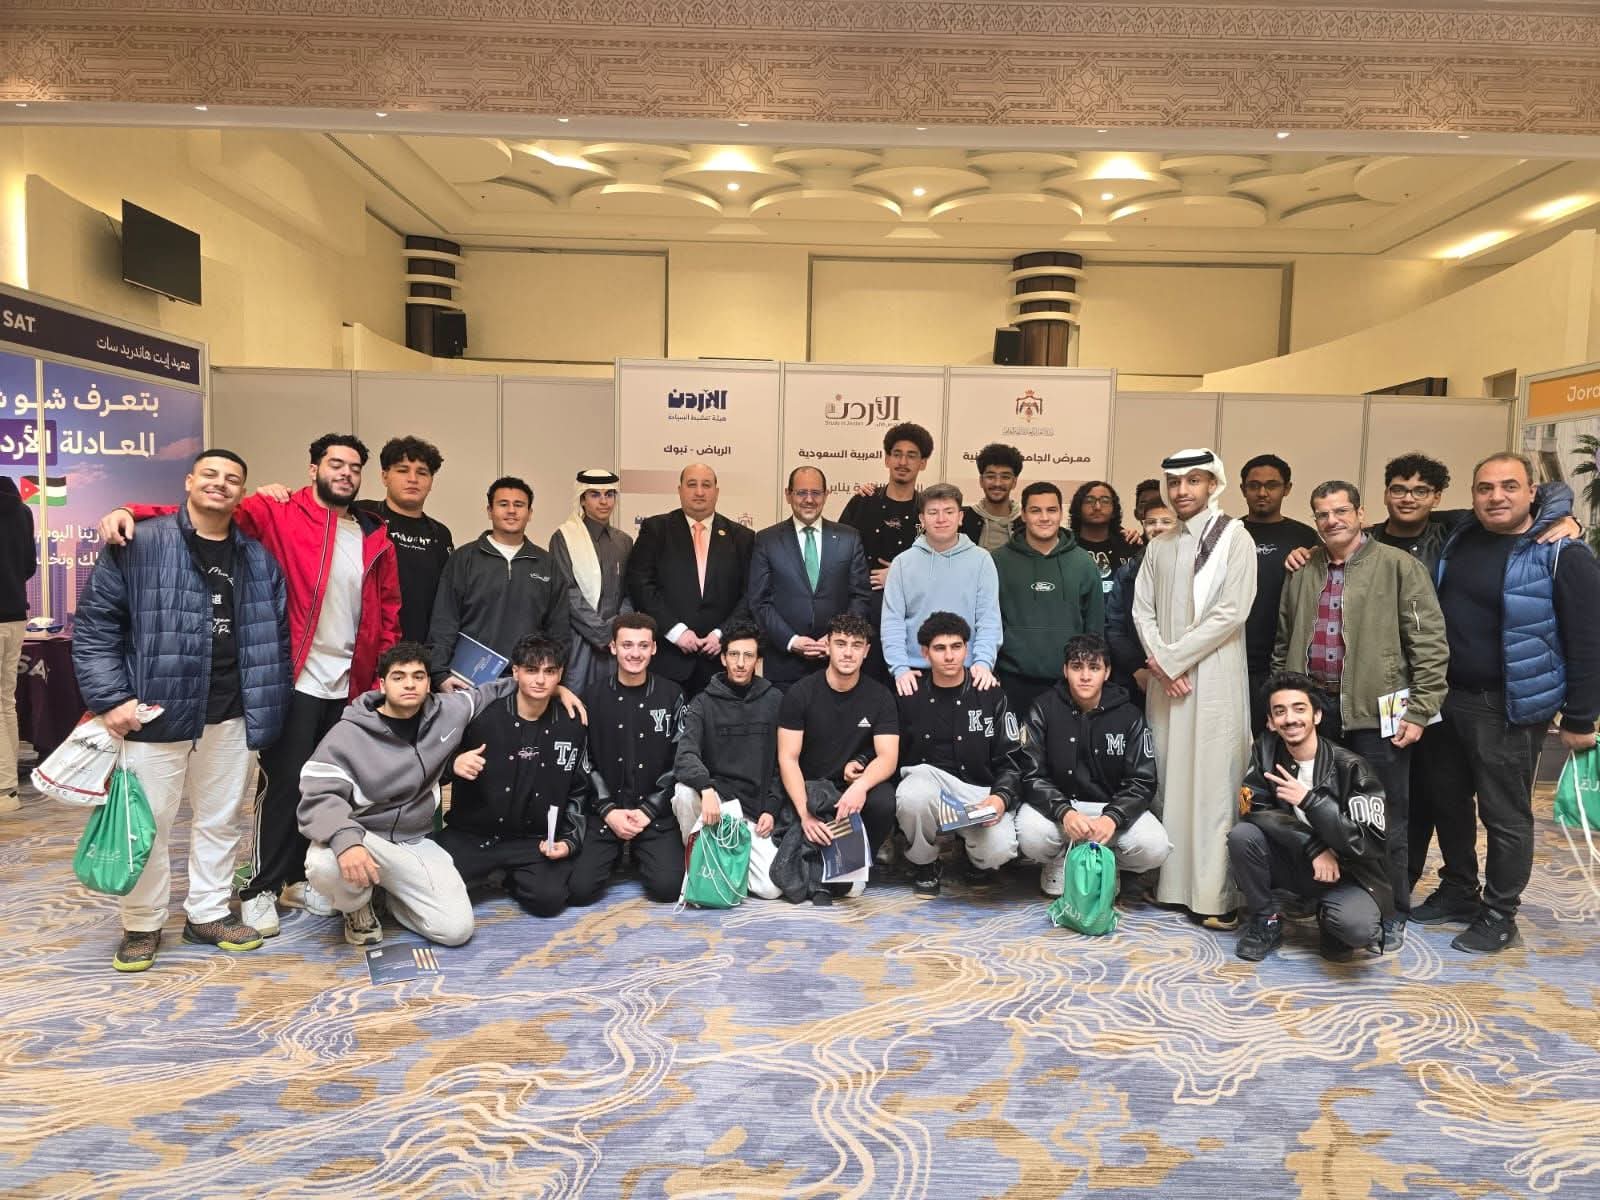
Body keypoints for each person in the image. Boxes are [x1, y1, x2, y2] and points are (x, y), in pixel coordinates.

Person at [99, 432, 402, 935]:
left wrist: (376, 676)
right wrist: (131, 510)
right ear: (314, 468)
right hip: (292, 677)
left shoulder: (373, 535)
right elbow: (207, 514)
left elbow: (388, 611)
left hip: (348, 684)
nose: (345, 473)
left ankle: (299, 876)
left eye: (354, 467)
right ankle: (261, 885)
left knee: (331, 784)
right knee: (283, 784)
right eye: (335, 464)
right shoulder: (278, 511)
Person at [74, 449, 291, 971]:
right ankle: (142, 923)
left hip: (232, 712)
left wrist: (266, 706)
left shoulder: (258, 559)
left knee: (220, 820)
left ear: (242, 493)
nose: (220, 484)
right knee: (147, 824)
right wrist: (111, 700)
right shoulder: (139, 543)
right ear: (190, 481)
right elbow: (96, 627)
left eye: (232, 479)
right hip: (154, 712)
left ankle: (207, 914)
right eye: (210, 474)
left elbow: (276, 640)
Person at [1415, 452, 1600, 953]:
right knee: (1448, 803)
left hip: (1507, 706)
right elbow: (1410, 513)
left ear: (1532, 492)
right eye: (1485, 488)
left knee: (1504, 815)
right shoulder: (1461, 534)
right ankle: (1458, 889)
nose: (1496, 497)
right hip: (1445, 698)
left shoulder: (1560, 552)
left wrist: (1581, 716)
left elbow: (1588, 639)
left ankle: (1500, 914)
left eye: (1510, 486)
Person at [1273, 480, 1447, 947]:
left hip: (1376, 713)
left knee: (1383, 815)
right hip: (1315, 715)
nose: (1332, 520)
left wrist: (1421, 709)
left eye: (1341, 511)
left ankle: (1391, 910)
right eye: (1322, 514)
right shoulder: (1303, 570)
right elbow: (1283, 642)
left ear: (1360, 513)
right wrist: (1282, 702)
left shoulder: (1398, 566)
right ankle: (1323, 897)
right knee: (1312, 809)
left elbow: (1430, 644)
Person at [298, 642, 500, 948]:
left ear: (429, 683)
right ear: (382, 684)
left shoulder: (448, 711)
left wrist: (557, 690)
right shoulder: (349, 732)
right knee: (324, 863)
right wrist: (346, 840)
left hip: (415, 840)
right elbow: (318, 795)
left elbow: (494, 691)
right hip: (366, 836)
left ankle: (390, 897)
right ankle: (356, 905)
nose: (409, 684)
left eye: (418, 676)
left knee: (455, 930)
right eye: (399, 676)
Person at [1132, 448, 1256, 926]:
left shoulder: (1234, 538)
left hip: (1215, 680)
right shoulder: (1159, 546)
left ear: (1212, 484)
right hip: (1167, 684)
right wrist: (1164, 664)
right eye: (1175, 482)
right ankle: (1169, 885)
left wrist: (1172, 660)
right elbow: (1142, 610)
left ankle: (1212, 896)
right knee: (1168, 778)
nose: (1182, 490)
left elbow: (1232, 612)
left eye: (1193, 481)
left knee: (1212, 786)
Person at [1229, 672, 1392, 963]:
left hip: (1346, 871)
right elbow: (1254, 808)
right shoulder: (1266, 751)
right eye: (1280, 711)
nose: (1290, 719)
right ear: (1271, 721)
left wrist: (1310, 801)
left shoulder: (1353, 768)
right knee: (1242, 836)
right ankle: (1266, 920)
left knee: (1356, 930)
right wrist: (1314, 847)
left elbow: (1370, 842)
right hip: (1298, 859)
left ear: (1316, 716)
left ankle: (1329, 918)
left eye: (1299, 709)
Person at [436, 635, 598, 919]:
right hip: (473, 835)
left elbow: (579, 789)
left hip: (531, 840)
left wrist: (570, 839)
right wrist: (453, 764)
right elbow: (429, 763)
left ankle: (506, 877)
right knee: (434, 889)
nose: (541, 680)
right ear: (515, 672)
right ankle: (489, 871)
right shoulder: (481, 717)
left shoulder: (572, 725)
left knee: (549, 901)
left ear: (560, 675)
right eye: (531, 670)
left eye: (549, 672)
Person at [1016, 633, 1171, 896]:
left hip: (1109, 810)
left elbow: (1142, 780)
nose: (1085, 676)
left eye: (1094, 668)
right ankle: (1062, 858)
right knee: (1030, 835)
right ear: (1065, 670)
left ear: (1107, 672)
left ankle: (1105, 861)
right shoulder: (1043, 708)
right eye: (1077, 667)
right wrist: (1064, 812)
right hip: (1061, 809)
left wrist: (1113, 817)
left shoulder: (1130, 715)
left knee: (1155, 847)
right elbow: (1030, 774)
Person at [892, 613, 1025, 897]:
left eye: (956, 646)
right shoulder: (910, 694)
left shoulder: (990, 693)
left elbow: (1013, 759)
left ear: (967, 648)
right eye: (940, 648)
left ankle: (973, 859)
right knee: (912, 794)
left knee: (999, 850)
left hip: (978, 791)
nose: (949, 656)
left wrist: (1000, 798)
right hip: (930, 785)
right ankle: (925, 862)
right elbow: (890, 752)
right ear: (925, 653)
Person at [566, 614, 686, 907]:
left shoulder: (672, 695)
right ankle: (617, 852)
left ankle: (637, 853)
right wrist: (607, 810)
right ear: (613, 647)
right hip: (606, 812)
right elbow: (582, 759)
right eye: (627, 645)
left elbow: (680, 757)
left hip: (653, 813)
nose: (635, 653)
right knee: (579, 890)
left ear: (654, 648)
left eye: (643, 645)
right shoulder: (591, 697)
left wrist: (650, 809)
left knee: (668, 888)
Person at [777, 614, 900, 898]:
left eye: (856, 645)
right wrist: (805, 814)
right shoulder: (800, 693)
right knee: (789, 878)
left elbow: (888, 757)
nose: (848, 652)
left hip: (850, 792)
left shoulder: (880, 697)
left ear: (866, 651)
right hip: (810, 790)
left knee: (883, 799)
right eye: (841, 644)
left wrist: (860, 786)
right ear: (828, 646)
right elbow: (787, 758)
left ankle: (860, 861)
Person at [671, 621, 787, 899]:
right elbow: (685, 755)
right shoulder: (703, 702)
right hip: (715, 803)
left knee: (771, 888)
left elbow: (783, 763)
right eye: (734, 654)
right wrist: (706, 788)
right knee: (684, 793)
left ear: (758, 661)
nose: (740, 663)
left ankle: (724, 861)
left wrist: (771, 809)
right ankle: (702, 862)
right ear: (723, 658)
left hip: (753, 811)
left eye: (748, 656)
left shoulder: (775, 700)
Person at [626, 462, 755, 697]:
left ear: (717, 491)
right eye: (692, 484)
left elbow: (750, 594)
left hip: (720, 661)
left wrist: (722, 634)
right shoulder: (656, 529)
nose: (699, 492)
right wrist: (676, 631)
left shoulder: (742, 537)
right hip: (669, 659)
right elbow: (640, 584)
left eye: (706, 485)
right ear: (680, 490)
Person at [428, 476, 571, 688]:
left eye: (519, 505)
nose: (511, 511)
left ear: (530, 513)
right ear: (489, 511)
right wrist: (439, 673)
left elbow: (558, 630)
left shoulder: (547, 564)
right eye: (503, 504)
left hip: (529, 680)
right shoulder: (464, 559)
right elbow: (444, 620)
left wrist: (554, 676)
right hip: (467, 680)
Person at [748, 465, 871, 689]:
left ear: (826, 495)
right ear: (788, 495)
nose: (809, 500)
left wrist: (836, 638)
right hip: (784, 665)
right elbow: (759, 601)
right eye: (801, 493)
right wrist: (792, 641)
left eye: (816, 493)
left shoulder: (849, 538)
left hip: (837, 663)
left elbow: (860, 596)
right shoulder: (767, 540)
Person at [991, 480, 1104, 717]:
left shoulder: (1083, 563)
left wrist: (1089, 674)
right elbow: (988, 622)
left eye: (1051, 510)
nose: (1044, 518)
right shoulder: (998, 562)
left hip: (1069, 682)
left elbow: (1094, 629)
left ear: (1061, 513)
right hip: (1012, 681)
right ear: (1023, 514)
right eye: (1035, 510)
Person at [881, 483, 1001, 698]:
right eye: (933, 512)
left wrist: (983, 663)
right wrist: (899, 669)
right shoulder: (902, 563)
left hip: (970, 673)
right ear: (922, 519)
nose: (941, 519)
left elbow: (988, 619)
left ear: (960, 517)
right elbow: (892, 622)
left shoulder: (982, 560)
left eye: (949, 511)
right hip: (914, 675)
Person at [838, 422, 933, 681]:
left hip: (912, 621)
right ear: (886, 459)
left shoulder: (928, 511)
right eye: (897, 454)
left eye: (911, 456)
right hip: (864, 616)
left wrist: (900, 574)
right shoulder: (863, 501)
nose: (903, 462)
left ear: (923, 463)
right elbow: (839, 556)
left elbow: (940, 564)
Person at [1238, 453, 1320, 732]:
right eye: (1254, 485)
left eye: (1272, 485)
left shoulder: (1305, 537)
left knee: (1283, 738)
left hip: (1286, 659)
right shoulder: (1229, 534)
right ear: (1243, 489)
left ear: (1287, 489)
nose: (1262, 492)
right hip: (1235, 657)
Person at [356, 436, 453, 646]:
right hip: (366, 646)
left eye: (422, 472)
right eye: (402, 470)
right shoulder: (361, 515)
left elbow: (446, 602)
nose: (413, 479)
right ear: (385, 476)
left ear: (431, 481)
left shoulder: (441, 534)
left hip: (420, 652)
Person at [549, 468, 634, 698]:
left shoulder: (624, 541)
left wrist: (619, 628)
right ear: (582, 499)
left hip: (618, 640)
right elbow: (568, 591)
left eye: (609, 494)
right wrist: (603, 633)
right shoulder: (564, 537)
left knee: (615, 702)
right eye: (595, 494)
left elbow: (630, 591)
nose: (604, 501)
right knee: (577, 701)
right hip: (580, 640)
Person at [1106, 500, 1178, 704]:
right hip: (1135, 677)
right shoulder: (1127, 572)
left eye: (1166, 522)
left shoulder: (1195, 569)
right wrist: (1137, 669)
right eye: (1151, 522)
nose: (1158, 528)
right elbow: (1114, 627)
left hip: (1180, 674)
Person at [0, 475, 34, 815]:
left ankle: (3, 789)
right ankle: (7, 790)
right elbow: (28, 566)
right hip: (13, 616)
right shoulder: (22, 510)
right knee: (5, 703)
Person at [1069, 480, 1139, 598]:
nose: (1097, 507)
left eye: (1105, 501)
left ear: (1114, 509)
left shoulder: (1129, 544)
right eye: (1089, 501)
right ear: (1078, 508)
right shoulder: (1067, 546)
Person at [958, 442, 1025, 550]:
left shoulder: (1025, 522)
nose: (997, 483)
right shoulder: (963, 520)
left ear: (1014, 482)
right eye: (990, 477)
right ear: (981, 481)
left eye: (1005, 477)